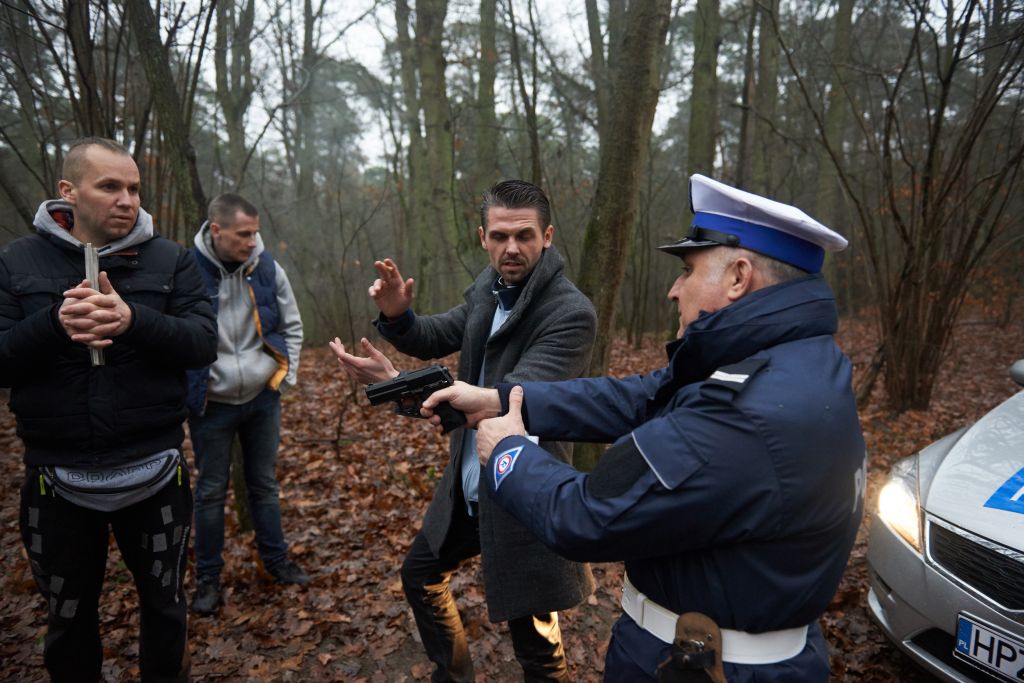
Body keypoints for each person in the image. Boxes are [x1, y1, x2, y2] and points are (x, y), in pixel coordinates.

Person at [422, 175, 868, 682]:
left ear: (739, 277)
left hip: (702, 666)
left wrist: (508, 455)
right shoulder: (790, 360)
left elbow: (589, 517)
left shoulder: (743, 414)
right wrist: (499, 397)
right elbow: (637, 395)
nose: (673, 289)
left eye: (688, 270)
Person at [331, 179, 596, 682]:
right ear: (482, 237)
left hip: (524, 490)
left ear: (548, 236)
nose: (510, 248)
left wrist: (397, 385)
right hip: (471, 483)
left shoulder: (569, 313)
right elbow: (435, 334)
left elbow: (508, 400)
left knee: (537, 647)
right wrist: (397, 315)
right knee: (421, 576)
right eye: (499, 236)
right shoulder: (487, 288)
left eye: (523, 235)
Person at [0, 137, 217, 682]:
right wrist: (54, 324)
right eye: (110, 186)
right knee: (69, 621)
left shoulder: (171, 260)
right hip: (57, 479)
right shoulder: (16, 260)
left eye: (134, 188)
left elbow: (202, 343)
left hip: (156, 472)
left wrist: (133, 321)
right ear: (68, 192)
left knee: (166, 610)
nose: (128, 200)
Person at [186, 193, 307, 616]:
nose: (252, 242)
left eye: (255, 233)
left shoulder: (268, 266)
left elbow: (292, 324)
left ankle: (277, 564)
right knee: (210, 492)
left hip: (261, 397)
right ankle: (208, 582)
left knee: (265, 486)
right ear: (216, 230)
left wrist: (284, 379)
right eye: (243, 234)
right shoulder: (186, 269)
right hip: (211, 403)